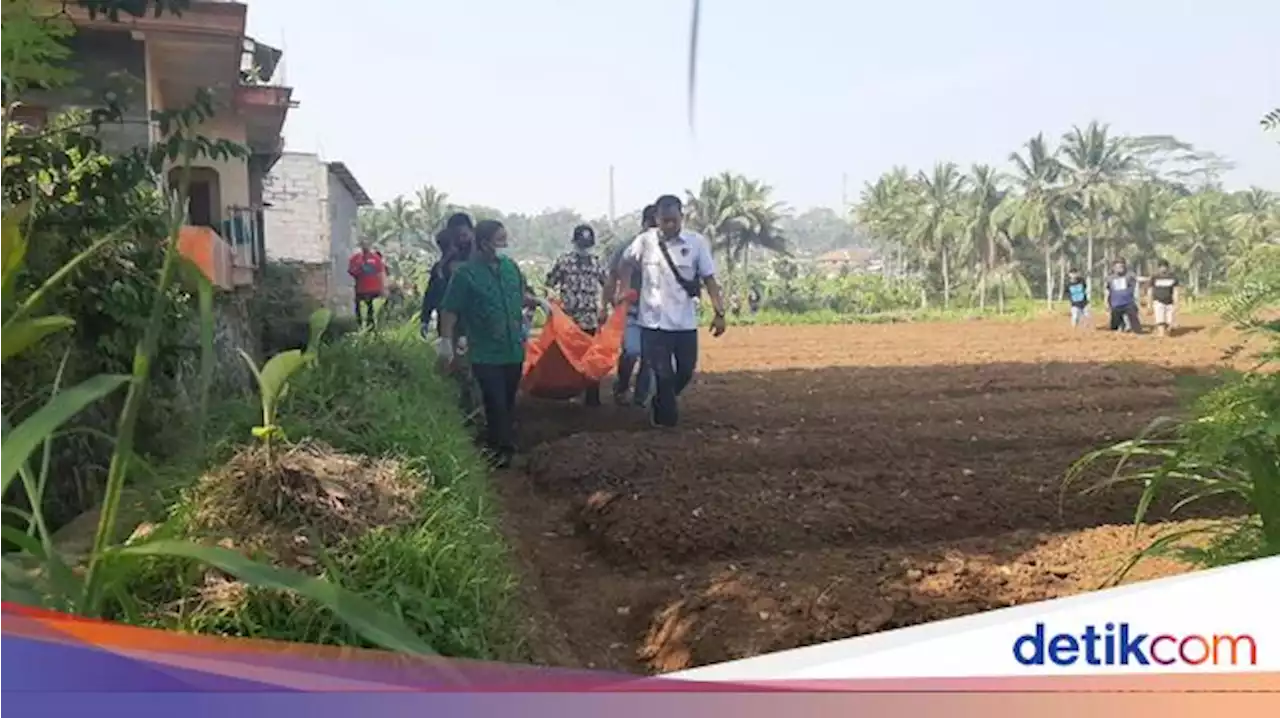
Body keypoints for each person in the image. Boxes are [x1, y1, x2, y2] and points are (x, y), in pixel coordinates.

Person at [615, 194, 727, 429]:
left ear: (681, 218)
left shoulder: (696, 243)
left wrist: (719, 312)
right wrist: (624, 289)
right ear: (656, 218)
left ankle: (660, 400)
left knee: (686, 370)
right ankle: (665, 421)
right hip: (654, 324)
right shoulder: (644, 242)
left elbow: (709, 279)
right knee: (663, 375)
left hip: (685, 324)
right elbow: (625, 263)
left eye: (674, 220)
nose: (669, 225)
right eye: (664, 220)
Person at [437, 219, 535, 468]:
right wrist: (446, 342)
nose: (504, 245)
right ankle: (501, 450)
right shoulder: (465, 275)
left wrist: (537, 303)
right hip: (485, 351)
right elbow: (450, 309)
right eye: (499, 240)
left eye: (505, 239)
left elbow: (519, 295)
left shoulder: (511, 267)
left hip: (513, 349)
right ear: (483, 243)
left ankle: (500, 444)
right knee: (495, 400)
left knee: (509, 400)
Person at [545, 224, 610, 407]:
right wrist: (551, 300)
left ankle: (592, 397)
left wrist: (607, 308)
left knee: (591, 358)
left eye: (587, 244)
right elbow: (550, 282)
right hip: (568, 320)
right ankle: (572, 393)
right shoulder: (563, 261)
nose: (584, 247)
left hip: (590, 318)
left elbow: (607, 285)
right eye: (581, 243)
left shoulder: (597, 262)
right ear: (574, 242)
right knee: (570, 359)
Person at [608, 205, 658, 407]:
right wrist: (608, 303)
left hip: (655, 310)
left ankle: (641, 397)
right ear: (646, 223)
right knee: (631, 351)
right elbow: (612, 276)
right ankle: (621, 384)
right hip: (631, 308)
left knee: (649, 356)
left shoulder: (666, 249)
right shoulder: (627, 247)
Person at [347, 239, 386, 330]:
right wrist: (359, 267)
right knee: (360, 312)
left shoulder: (376, 258)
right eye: (363, 244)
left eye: (367, 244)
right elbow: (351, 271)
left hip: (374, 290)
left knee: (372, 312)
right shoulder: (355, 258)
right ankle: (361, 329)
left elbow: (381, 273)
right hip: (361, 290)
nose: (365, 246)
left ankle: (373, 330)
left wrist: (383, 287)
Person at [1106, 259, 1142, 334]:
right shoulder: (1110, 278)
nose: (1120, 268)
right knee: (1114, 324)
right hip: (1116, 304)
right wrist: (1107, 303)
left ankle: (1136, 332)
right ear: (1114, 268)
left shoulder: (1129, 275)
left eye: (1121, 266)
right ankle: (1119, 330)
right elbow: (1108, 291)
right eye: (1117, 266)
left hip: (1128, 302)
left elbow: (1138, 279)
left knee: (1134, 320)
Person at [1149, 260, 1179, 337]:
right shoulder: (1154, 277)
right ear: (1158, 268)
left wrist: (1176, 303)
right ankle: (1161, 334)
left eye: (1165, 267)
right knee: (1160, 320)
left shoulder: (1173, 277)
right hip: (1158, 301)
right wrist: (1150, 304)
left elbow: (1175, 291)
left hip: (1169, 302)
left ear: (1167, 268)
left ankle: (1168, 330)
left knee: (1170, 322)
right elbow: (1150, 291)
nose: (1163, 268)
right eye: (1161, 267)